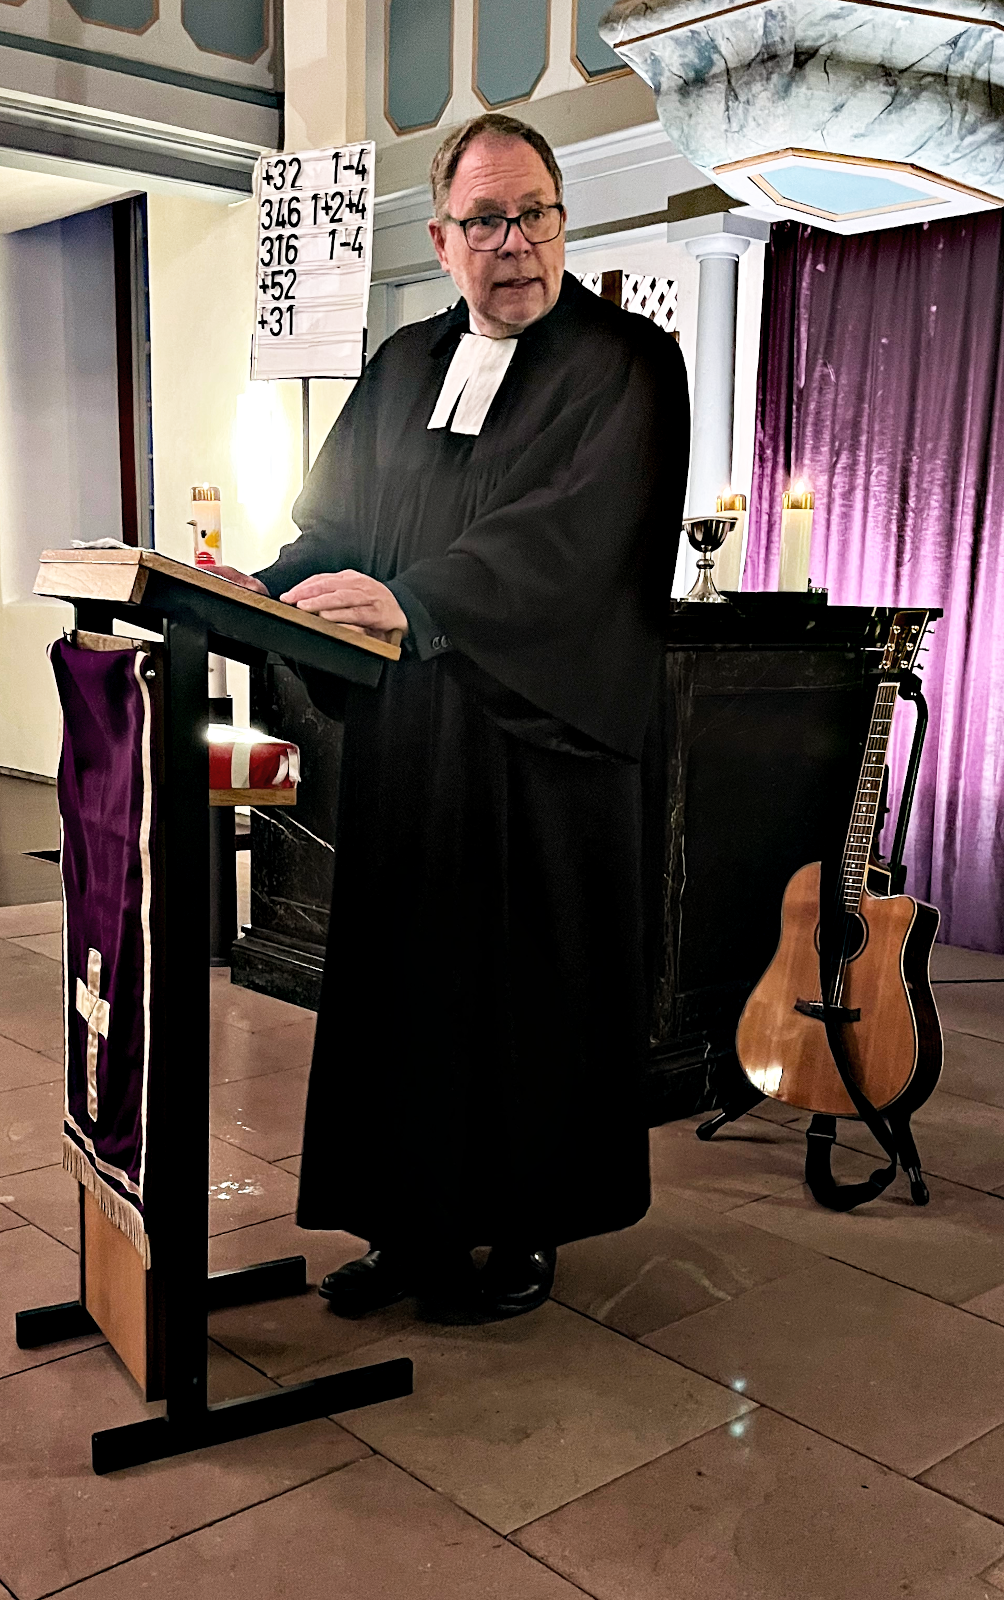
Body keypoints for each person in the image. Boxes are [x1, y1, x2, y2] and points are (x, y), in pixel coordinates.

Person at [218, 111, 690, 1322]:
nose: (517, 242)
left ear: (563, 221)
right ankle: (403, 1225)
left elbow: (571, 541)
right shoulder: (400, 368)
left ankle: (524, 1225)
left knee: (525, 998)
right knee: (403, 992)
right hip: (414, 748)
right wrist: (260, 591)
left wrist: (417, 600)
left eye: (536, 213)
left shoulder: (627, 364)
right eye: (487, 220)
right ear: (441, 237)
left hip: (543, 750)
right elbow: (336, 529)